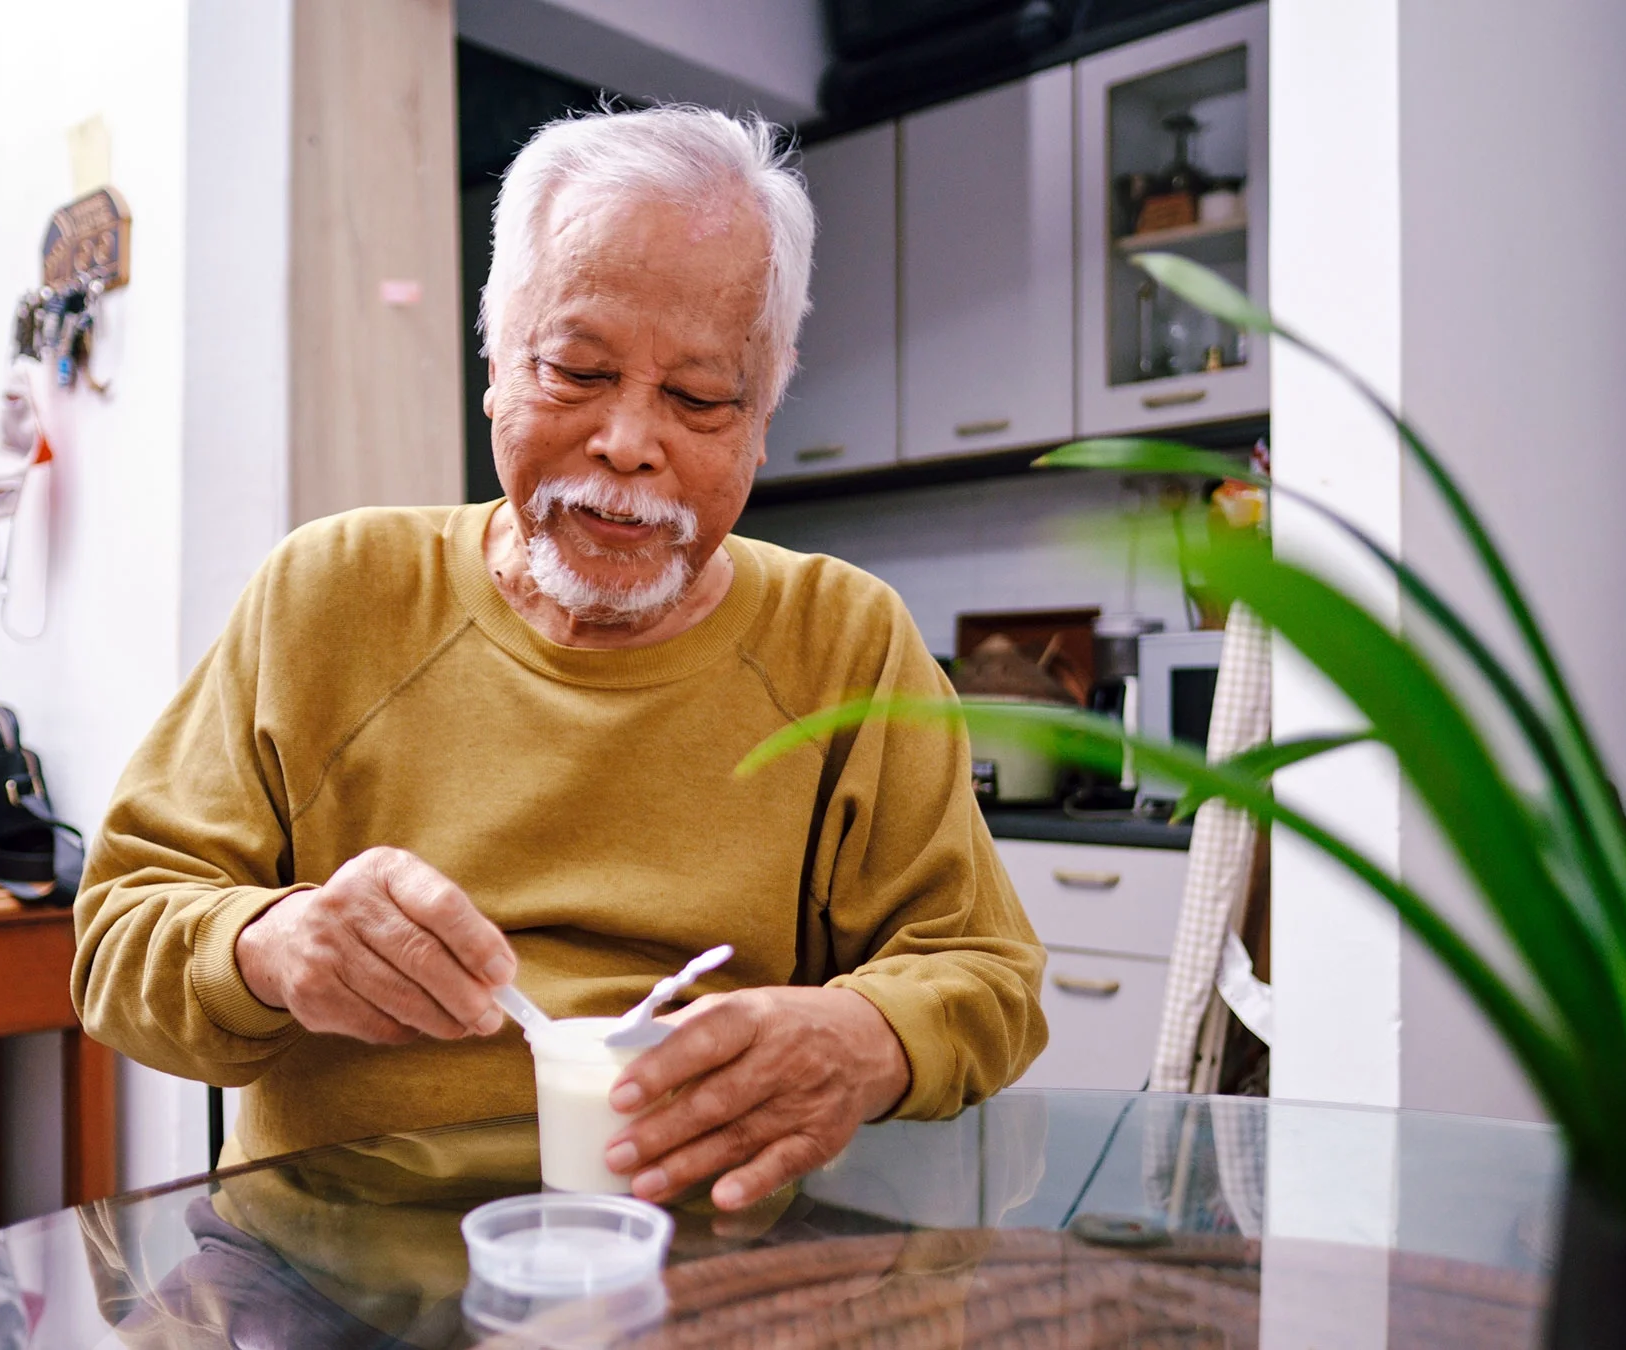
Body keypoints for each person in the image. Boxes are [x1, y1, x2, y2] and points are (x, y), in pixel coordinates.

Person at [75, 105, 1044, 1213]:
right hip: (332, 1267)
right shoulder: (330, 594)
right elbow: (117, 942)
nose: (631, 441)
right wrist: (269, 944)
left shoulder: (844, 639)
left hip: (702, 1273)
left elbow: (987, 978)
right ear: (494, 365)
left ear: (763, 414)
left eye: (699, 397)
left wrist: (867, 1034)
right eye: (577, 371)